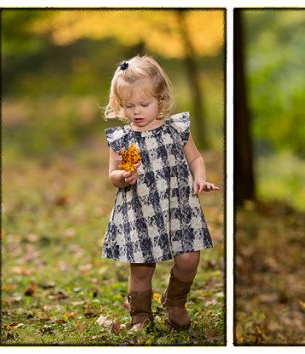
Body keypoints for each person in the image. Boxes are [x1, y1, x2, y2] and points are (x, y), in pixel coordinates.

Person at [103, 55, 220, 331]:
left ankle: (176, 301)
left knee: (190, 257)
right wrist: (123, 176)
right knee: (143, 268)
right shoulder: (121, 139)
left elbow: (196, 159)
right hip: (141, 211)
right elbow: (113, 175)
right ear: (121, 105)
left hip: (178, 204)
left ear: (161, 99)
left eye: (144, 104)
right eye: (129, 106)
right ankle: (141, 314)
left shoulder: (177, 128)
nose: (137, 111)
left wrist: (200, 179)